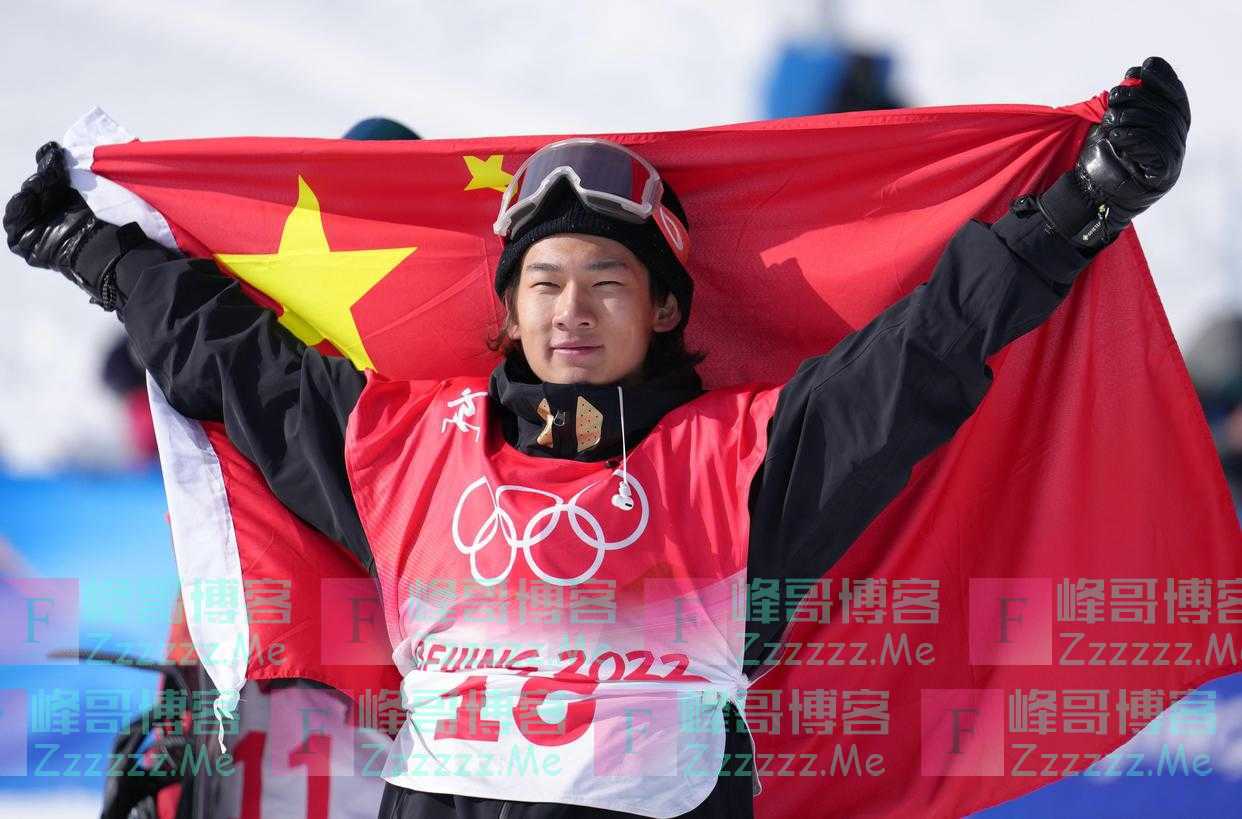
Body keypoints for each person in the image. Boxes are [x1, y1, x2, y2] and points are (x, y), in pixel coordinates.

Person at [6, 58, 1189, 819]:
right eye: (548, 283)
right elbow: (234, 363)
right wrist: (98, 252)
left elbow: (923, 354)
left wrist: (1083, 205)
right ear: (510, 310)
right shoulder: (406, 447)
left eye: (609, 283)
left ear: (667, 308)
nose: (574, 309)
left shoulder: (744, 459)